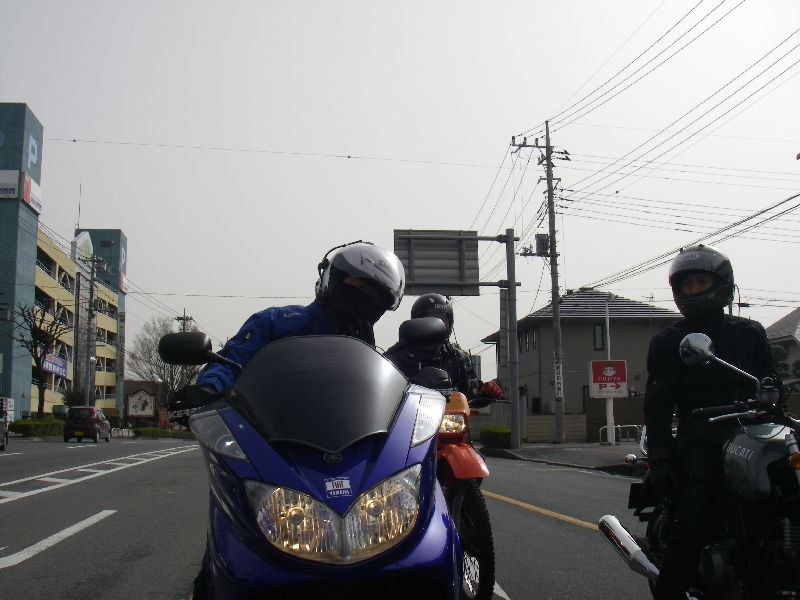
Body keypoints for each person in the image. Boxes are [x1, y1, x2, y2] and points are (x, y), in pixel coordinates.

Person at [643, 244, 776, 599]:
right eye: (686, 285)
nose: (693, 290)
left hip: (753, 431)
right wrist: (659, 457)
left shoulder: (749, 333)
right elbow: (657, 403)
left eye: (701, 282)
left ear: (722, 285)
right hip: (702, 435)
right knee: (693, 520)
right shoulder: (668, 341)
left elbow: (770, 383)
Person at [168, 241, 405, 422]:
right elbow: (233, 359)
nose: (364, 298)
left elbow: (382, 401)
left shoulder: (369, 353)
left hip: (347, 440)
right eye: (359, 285)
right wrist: (208, 389)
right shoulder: (277, 322)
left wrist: (369, 358)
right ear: (333, 279)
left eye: (374, 296)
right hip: (268, 434)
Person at [385, 292, 503, 402]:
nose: (440, 325)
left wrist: (487, 390)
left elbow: (471, 394)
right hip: (407, 413)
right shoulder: (398, 356)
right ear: (417, 321)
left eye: (444, 320)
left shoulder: (458, 358)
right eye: (434, 320)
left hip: (448, 415)